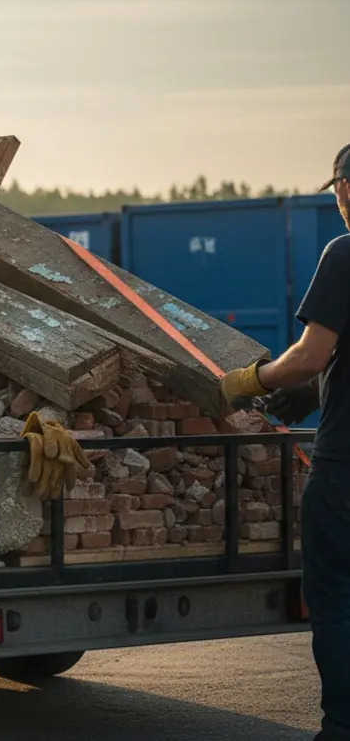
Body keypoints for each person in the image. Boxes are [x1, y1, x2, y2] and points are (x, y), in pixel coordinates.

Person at [221, 142, 350, 740]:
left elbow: (309, 355)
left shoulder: (345, 253)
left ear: (346, 189)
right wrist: (317, 392)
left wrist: (250, 380)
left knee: (339, 601)